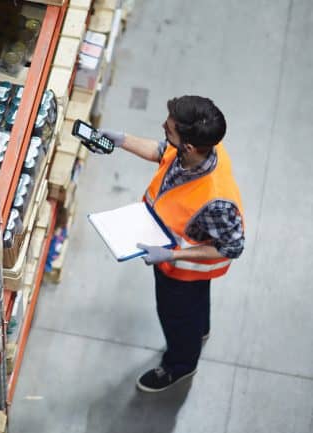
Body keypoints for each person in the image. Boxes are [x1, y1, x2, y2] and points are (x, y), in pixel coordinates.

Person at [87, 95, 245, 392]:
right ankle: (199, 330)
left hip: (182, 272)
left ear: (187, 146)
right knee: (196, 308)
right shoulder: (200, 149)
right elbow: (163, 152)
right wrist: (122, 140)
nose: (163, 128)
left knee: (176, 317)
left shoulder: (217, 201)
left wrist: (171, 255)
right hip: (183, 269)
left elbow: (232, 247)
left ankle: (181, 365)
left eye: (169, 129)